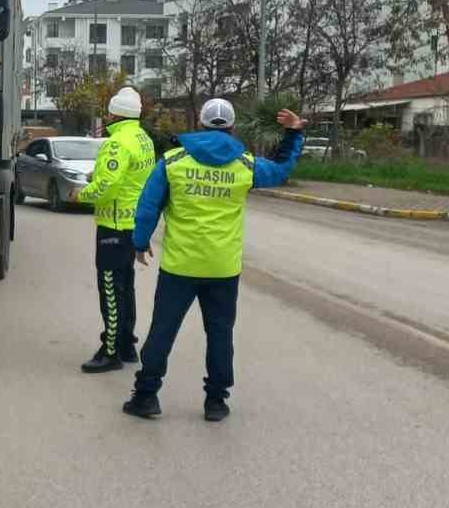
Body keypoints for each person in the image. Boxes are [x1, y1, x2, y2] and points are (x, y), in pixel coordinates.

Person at [122, 99, 306, 421]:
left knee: (163, 331)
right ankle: (216, 402)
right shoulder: (245, 165)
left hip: (180, 266)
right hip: (222, 268)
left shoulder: (173, 160)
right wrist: (293, 134)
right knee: (220, 335)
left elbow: (149, 203)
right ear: (232, 127)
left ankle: (146, 396)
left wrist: (139, 242)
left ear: (201, 124)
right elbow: (279, 171)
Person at [74, 86, 160, 374]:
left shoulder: (116, 142)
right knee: (126, 287)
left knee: (110, 289)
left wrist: (81, 193)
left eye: (109, 111)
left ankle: (110, 351)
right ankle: (126, 344)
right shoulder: (143, 139)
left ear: (115, 112)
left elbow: (108, 187)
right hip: (133, 225)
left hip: (113, 225)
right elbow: (133, 179)